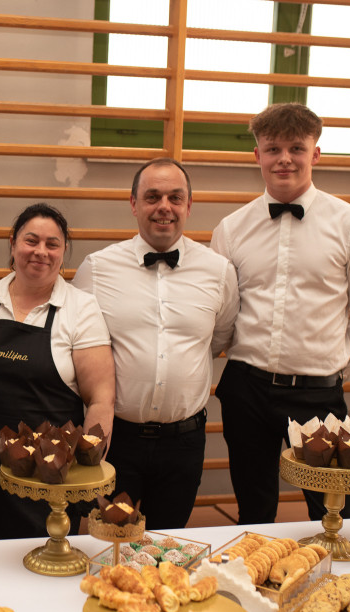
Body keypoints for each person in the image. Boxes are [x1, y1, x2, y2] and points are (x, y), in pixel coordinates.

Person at [211, 103, 350, 524]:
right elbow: (219, 316)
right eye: (273, 149)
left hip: (318, 392)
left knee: (334, 511)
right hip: (246, 388)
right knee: (254, 506)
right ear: (257, 155)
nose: (284, 158)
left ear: (316, 154)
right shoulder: (231, 229)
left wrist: (332, 370)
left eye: (296, 147)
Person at [73, 158, 238, 531]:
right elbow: (79, 345)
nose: (164, 206)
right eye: (152, 196)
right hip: (118, 438)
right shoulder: (96, 269)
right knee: (110, 544)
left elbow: (221, 336)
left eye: (175, 197)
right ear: (134, 204)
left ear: (188, 206)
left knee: (169, 545)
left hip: (185, 441)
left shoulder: (219, 270)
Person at [0, 203, 114, 540]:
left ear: (63, 252)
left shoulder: (81, 308)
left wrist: (87, 470)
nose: (41, 252)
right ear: (12, 243)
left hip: (51, 475)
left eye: (53, 244)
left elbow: (101, 398)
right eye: (31, 241)